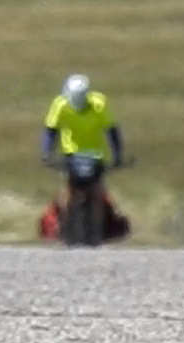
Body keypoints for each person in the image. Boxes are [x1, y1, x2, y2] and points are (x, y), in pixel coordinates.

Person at [41, 74, 126, 233]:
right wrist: (47, 152)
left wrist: (117, 153)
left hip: (95, 155)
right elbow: (51, 130)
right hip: (71, 153)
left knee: (96, 189)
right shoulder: (60, 105)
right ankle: (63, 224)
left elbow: (112, 130)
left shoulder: (99, 104)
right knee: (69, 189)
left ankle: (98, 227)